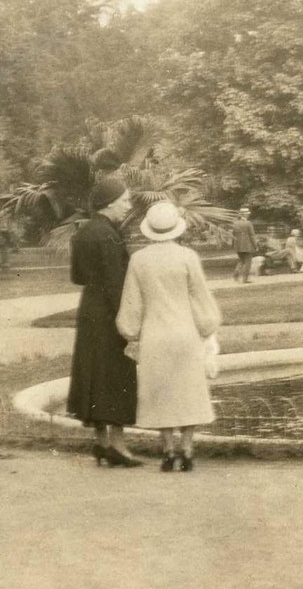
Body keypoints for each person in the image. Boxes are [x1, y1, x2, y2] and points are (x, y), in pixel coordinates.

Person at [116, 201, 224, 473]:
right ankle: (186, 449)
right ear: (176, 228)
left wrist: (130, 331)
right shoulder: (187, 257)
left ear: (149, 230)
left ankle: (167, 449)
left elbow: (132, 304)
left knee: (160, 391)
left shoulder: (139, 260)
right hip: (185, 332)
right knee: (189, 391)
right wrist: (208, 325)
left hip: (155, 335)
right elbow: (200, 297)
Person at [67, 175, 143, 467]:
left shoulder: (84, 232)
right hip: (111, 311)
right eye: (124, 200)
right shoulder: (110, 234)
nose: (127, 205)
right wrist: (129, 319)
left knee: (93, 372)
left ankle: (100, 442)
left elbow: (77, 277)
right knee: (116, 374)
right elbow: (116, 283)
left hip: (89, 309)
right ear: (110, 203)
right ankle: (119, 446)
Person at [230, 206, 257, 284]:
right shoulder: (248, 223)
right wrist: (255, 245)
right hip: (247, 245)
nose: (248, 215)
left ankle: (236, 275)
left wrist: (233, 245)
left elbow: (233, 235)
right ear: (245, 215)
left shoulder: (235, 223)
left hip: (238, 245)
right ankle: (245, 279)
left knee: (241, 261)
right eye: (247, 214)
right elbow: (252, 235)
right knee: (248, 262)